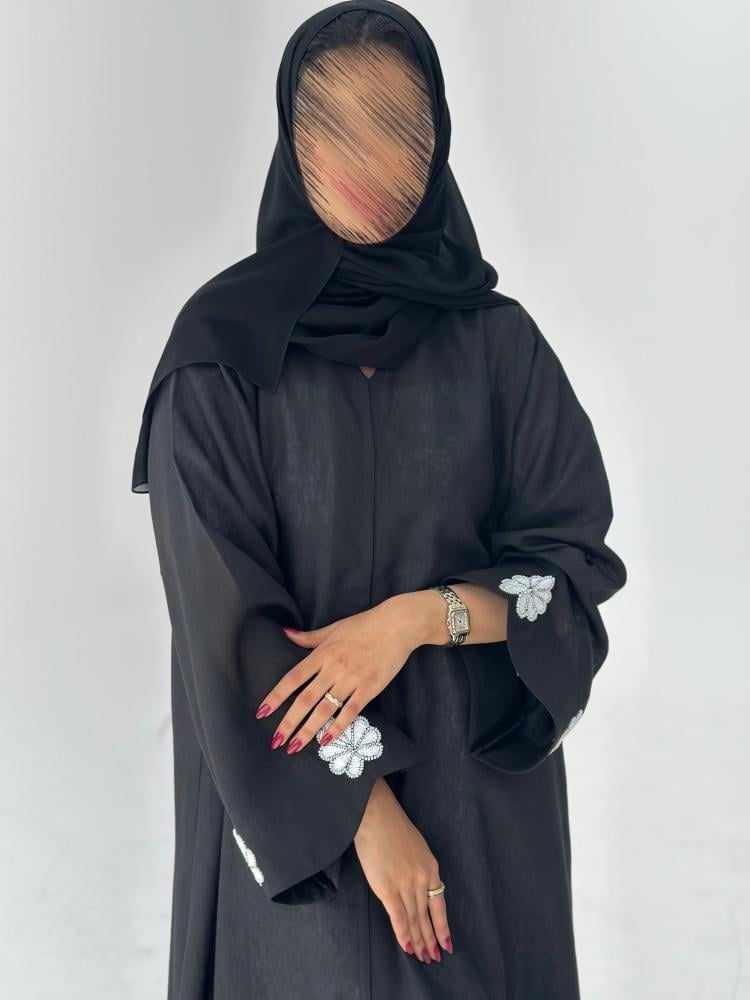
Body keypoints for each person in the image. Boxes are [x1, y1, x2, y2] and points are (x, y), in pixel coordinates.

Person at [131, 2, 628, 997]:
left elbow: (569, 572)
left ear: (437, 142)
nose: (364, 156)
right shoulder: (221, 355)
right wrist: (365, 809)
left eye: (397, 123)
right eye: (331, 123)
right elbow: (227, 624)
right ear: (291, 139)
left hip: (480, 816)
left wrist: (417, 619)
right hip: (299, 838)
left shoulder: (499, 346)